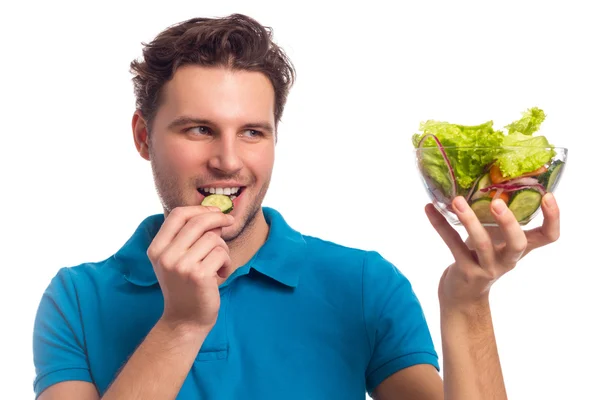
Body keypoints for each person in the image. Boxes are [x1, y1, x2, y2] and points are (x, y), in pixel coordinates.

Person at [32, 13, 561, 400]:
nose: (228, 161)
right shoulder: (76, 300)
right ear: (144, 136)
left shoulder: (364, 285)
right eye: (199, 129)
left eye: (253, 132)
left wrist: (468, 303)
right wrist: (181, 325)